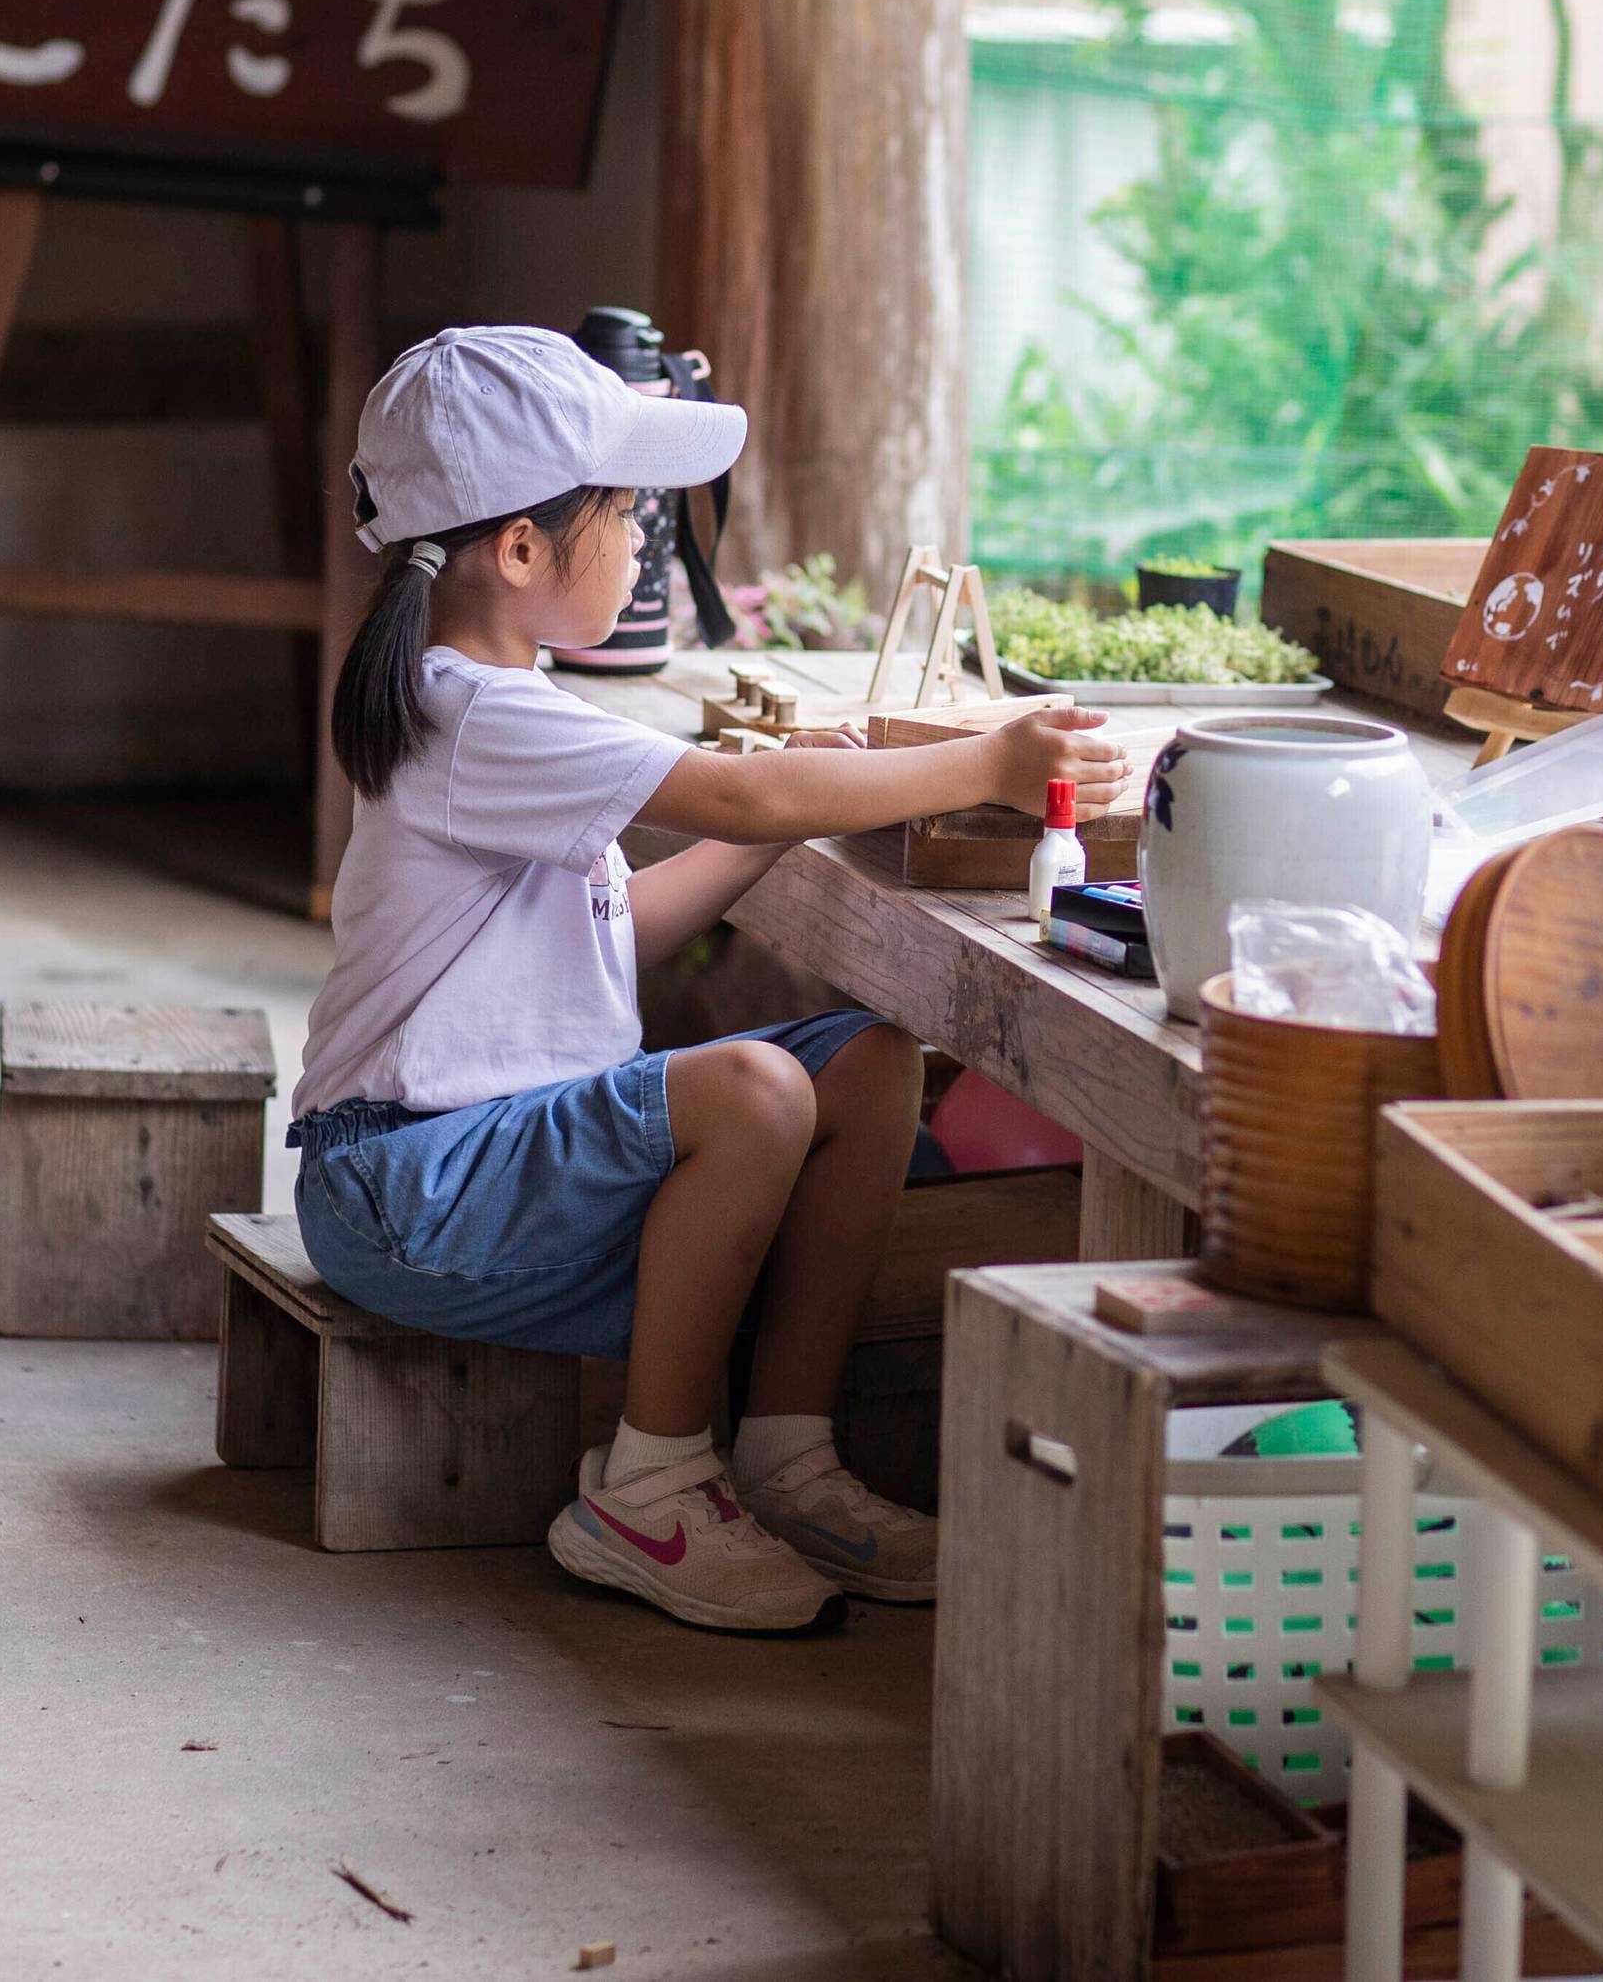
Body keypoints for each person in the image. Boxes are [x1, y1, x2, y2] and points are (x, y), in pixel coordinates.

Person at [289, 326, 1133, 1633]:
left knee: (868, 1062)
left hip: (481, 1153)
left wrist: (794, 810)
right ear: (518, 551)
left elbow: (614, 927)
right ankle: (653, 1485)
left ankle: (786, 1458)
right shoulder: (478, 712)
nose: (645, 541)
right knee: (751, 1091)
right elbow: (738, 791)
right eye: (626, 513)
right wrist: (987, 764)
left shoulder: (494, 697)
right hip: (405, 1182)